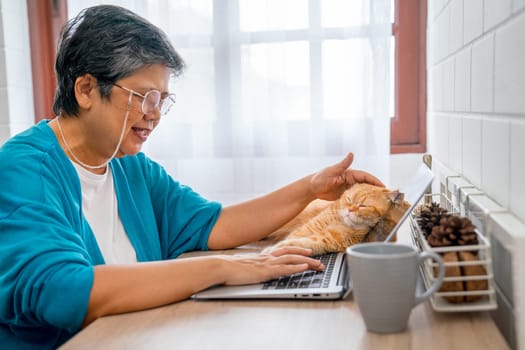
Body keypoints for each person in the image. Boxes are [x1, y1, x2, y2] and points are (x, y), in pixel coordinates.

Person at [0, 5, 384, 349]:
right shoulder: (24, 170)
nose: (154, 114)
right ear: (85, 89)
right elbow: (64, 294)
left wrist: (311, 188)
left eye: (162, 101)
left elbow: (214, 224)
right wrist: (221, 268)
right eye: (144, 97)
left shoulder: (128, 165)